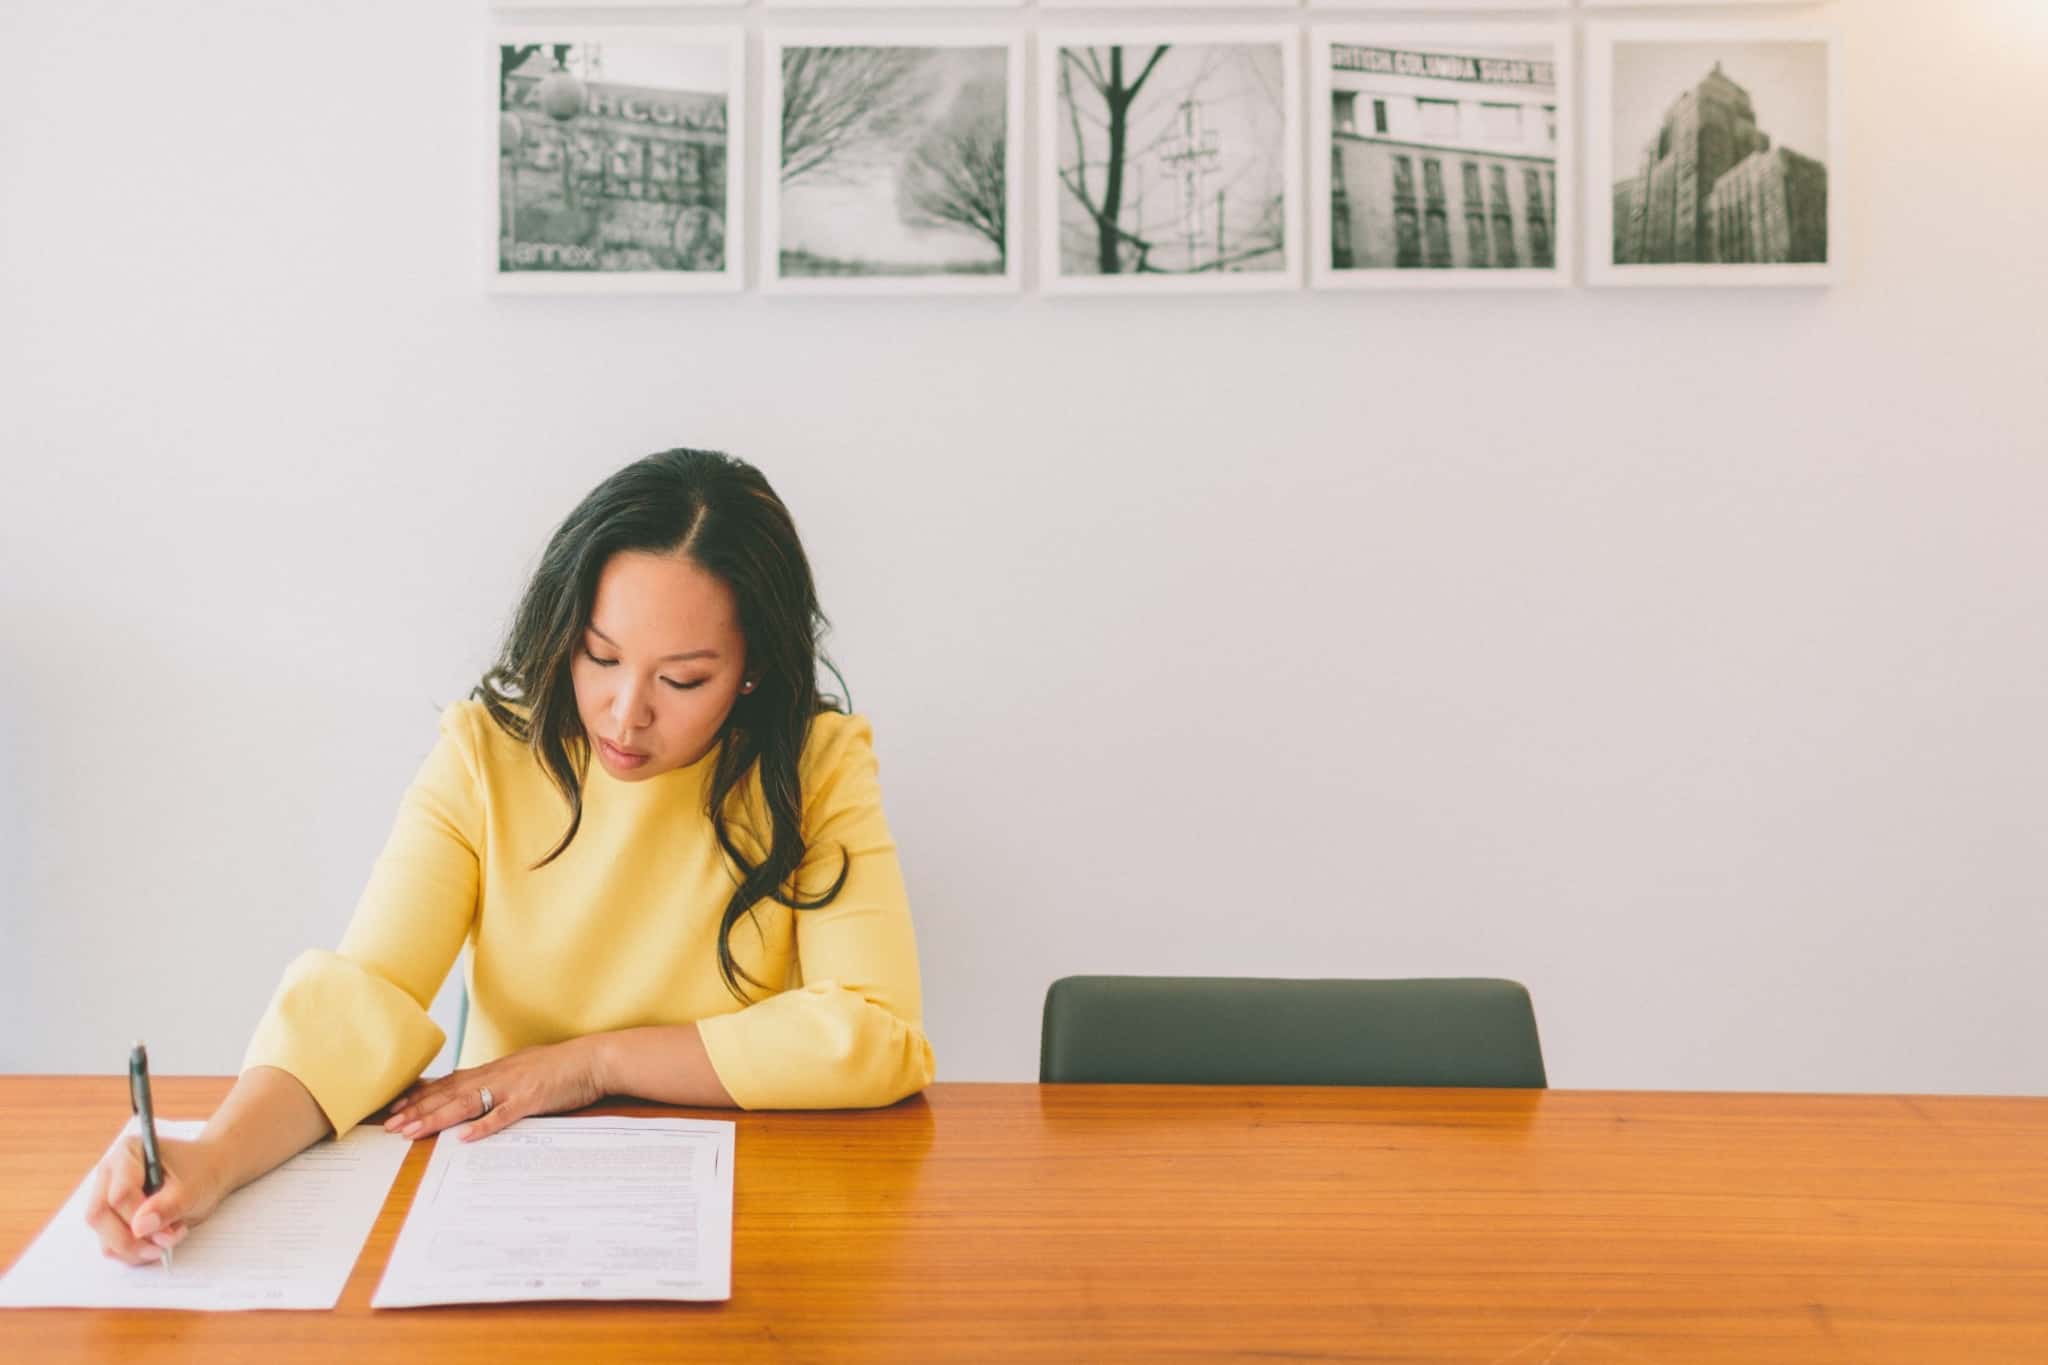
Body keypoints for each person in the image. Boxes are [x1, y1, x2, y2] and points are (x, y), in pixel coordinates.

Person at [86, 449, 934, 1265]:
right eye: (600, 656)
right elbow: (363, 1002)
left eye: (682, 680)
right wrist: (214, 1158)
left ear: (752, 670)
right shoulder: (486, 754)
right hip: (500, 1195)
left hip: (747, 1201)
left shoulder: (815, 765)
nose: (625, 713)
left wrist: (592, 1063)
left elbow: (877, 1032)